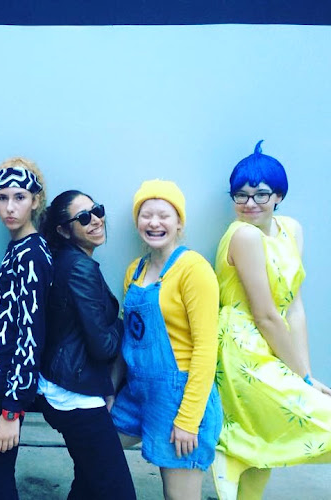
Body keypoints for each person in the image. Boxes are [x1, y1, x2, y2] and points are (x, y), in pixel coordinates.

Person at [212, 141, 331, 499]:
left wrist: (305, 372)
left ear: (279, 196)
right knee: (273, 427)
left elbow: (293, 308)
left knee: (262, 438)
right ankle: (228, 453)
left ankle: (234, 463)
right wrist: (302, 378)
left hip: (275, 341)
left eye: (261, 194)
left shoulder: (290, 229)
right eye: (241, 195)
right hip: (242, 346)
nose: (250, 204)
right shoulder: (244, 235)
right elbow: (264, 315)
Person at [111, 179, 222, 500]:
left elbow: (206, 349)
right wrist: (111, 391)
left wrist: (188, 420)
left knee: (178, 495)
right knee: (98, 448)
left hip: (180, 396)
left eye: (164, 215)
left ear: (179, 223)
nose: (154, 223)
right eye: (146, 215)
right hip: (136, 392)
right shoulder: (134, 270)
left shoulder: (193, 269)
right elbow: (128, 336)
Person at [38, 190, 136, 499]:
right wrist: (122, 324)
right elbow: (103, 347)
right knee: (118, 492)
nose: (95, 220)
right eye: (83, 218)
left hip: (63, 385)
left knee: (89, 483)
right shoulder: (80, 268)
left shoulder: (68, 261)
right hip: (75, 394)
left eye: (97, 211)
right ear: (64, 230)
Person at [0, 157, 53, 499]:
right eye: (2, 197)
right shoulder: (18, 248)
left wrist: (11, 409)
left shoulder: (32, 254)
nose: (9, 207)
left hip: (4, 387)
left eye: (19, 197)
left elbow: (31, 334)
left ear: (35, 201)